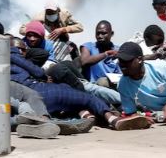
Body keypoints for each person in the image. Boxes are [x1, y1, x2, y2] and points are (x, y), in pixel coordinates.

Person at [9, 39, 149, 131]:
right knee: (87, 97)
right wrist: (19, 54)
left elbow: (41, 55)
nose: (24, 51)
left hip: (24, 102)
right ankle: (113, 120)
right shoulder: (13, 55)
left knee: (72, 97)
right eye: (22, 49)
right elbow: (38, 69)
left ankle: (85, 116)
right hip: (43, 91)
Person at [80, 20, 120, 86]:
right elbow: (84, 61)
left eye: (103, 33)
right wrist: (106, 54)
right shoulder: (88, 46)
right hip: (93, 87)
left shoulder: (118, 50)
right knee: (102, 82)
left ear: (111, 33)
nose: (100, 36)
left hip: (113, 87)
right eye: (97, 33)